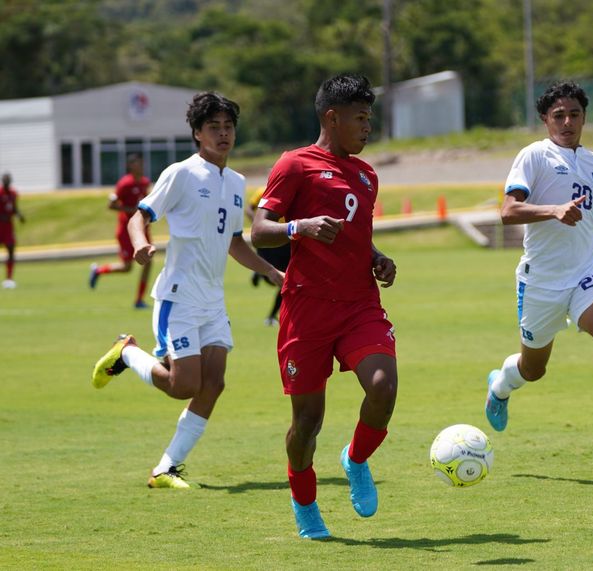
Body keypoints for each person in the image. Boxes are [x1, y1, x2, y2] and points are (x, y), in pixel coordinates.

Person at [90, 92, 283, 489]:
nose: (223, 134)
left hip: (212, 299)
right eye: (214, 127)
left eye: (228, 127)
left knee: (214, 383)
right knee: (184, 387)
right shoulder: (181, 173)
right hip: (178, 295)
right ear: (197, 133)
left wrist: (268, 270)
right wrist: (141, 243)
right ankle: (127, 353)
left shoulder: (236, 182)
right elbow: (137, 217)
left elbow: (233, 240)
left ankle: (165, 468)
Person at [251, 74, 398, 540]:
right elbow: (259, 229)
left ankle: (355, 460)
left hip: (358, 305)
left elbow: (357, 236)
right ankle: (304, 502)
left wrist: (377, 258)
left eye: (369, 117)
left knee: (383, 386)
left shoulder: (366, 174)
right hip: (307, 310)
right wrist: (301, 227)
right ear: (332, 118)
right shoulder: (294, 165)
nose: (367, 126)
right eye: (360, 117)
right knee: (306, 424)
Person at [483, 80, 593, 471]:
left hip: (586, 271)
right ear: (545, 119)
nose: (567, 122)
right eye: (558, 115)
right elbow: (509, 211)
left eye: (574, 114)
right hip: (541, 281)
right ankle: (500, 386)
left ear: (584, 118)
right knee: (534, 369)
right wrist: (554, 210)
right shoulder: (533, 156)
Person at [88, 154, 153, 308]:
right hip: (127, 230)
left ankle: (139, 300)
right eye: (137, 163)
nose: (140, 166)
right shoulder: (124, 184)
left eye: (141, 163)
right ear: (130, 166)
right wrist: (131, 210)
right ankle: (98, 270)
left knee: (148, 262)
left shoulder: (145, 182)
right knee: (127, 267)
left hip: (143, 229)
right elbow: (111, 205)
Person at [245, 185, 290, 325]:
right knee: (282, 280)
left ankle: (271, 316)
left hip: (284, 239)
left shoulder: (289, 190)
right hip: (267, 238)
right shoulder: (262, 191)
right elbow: (248, 209)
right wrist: (258, 223)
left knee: (285, 281)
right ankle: (271, 317)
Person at [0, 173, 25, 289]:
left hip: (8, 227)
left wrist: (19, 215)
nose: (6, 183)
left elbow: (13, 207)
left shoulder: (13, 194)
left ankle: (9, 279)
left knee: (11, 250)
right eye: (5, 180)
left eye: (8, 181)